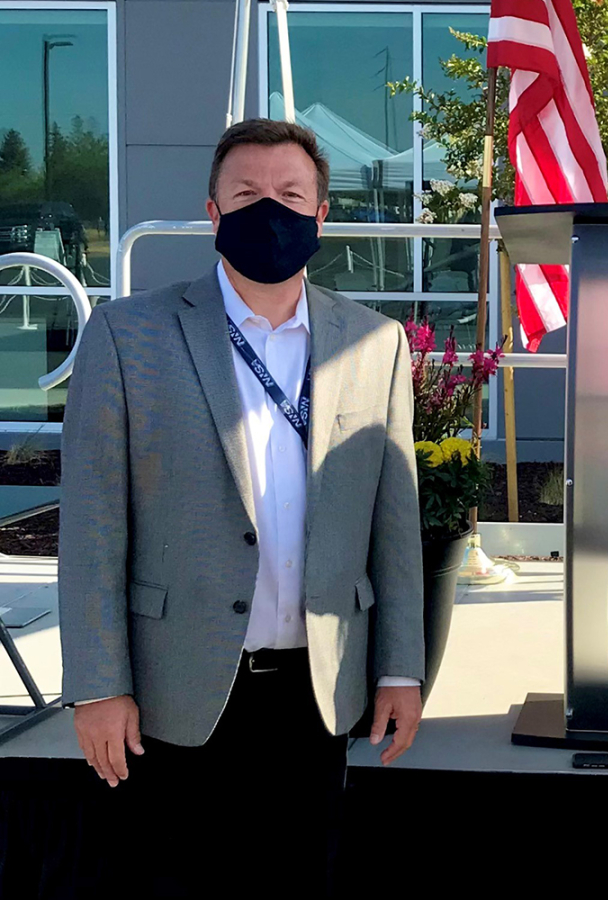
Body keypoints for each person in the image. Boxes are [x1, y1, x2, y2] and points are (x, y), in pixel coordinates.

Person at [58, 119, 426, 897]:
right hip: (175, 689)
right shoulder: (128, 335)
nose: (271, 210)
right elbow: (92, 526)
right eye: (248, 194)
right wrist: (97, 685)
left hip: (317, 692)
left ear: (323, 213)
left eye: (291, 195)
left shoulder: (376, 342)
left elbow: (394, 525)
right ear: (213, 212)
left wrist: (399, 668)